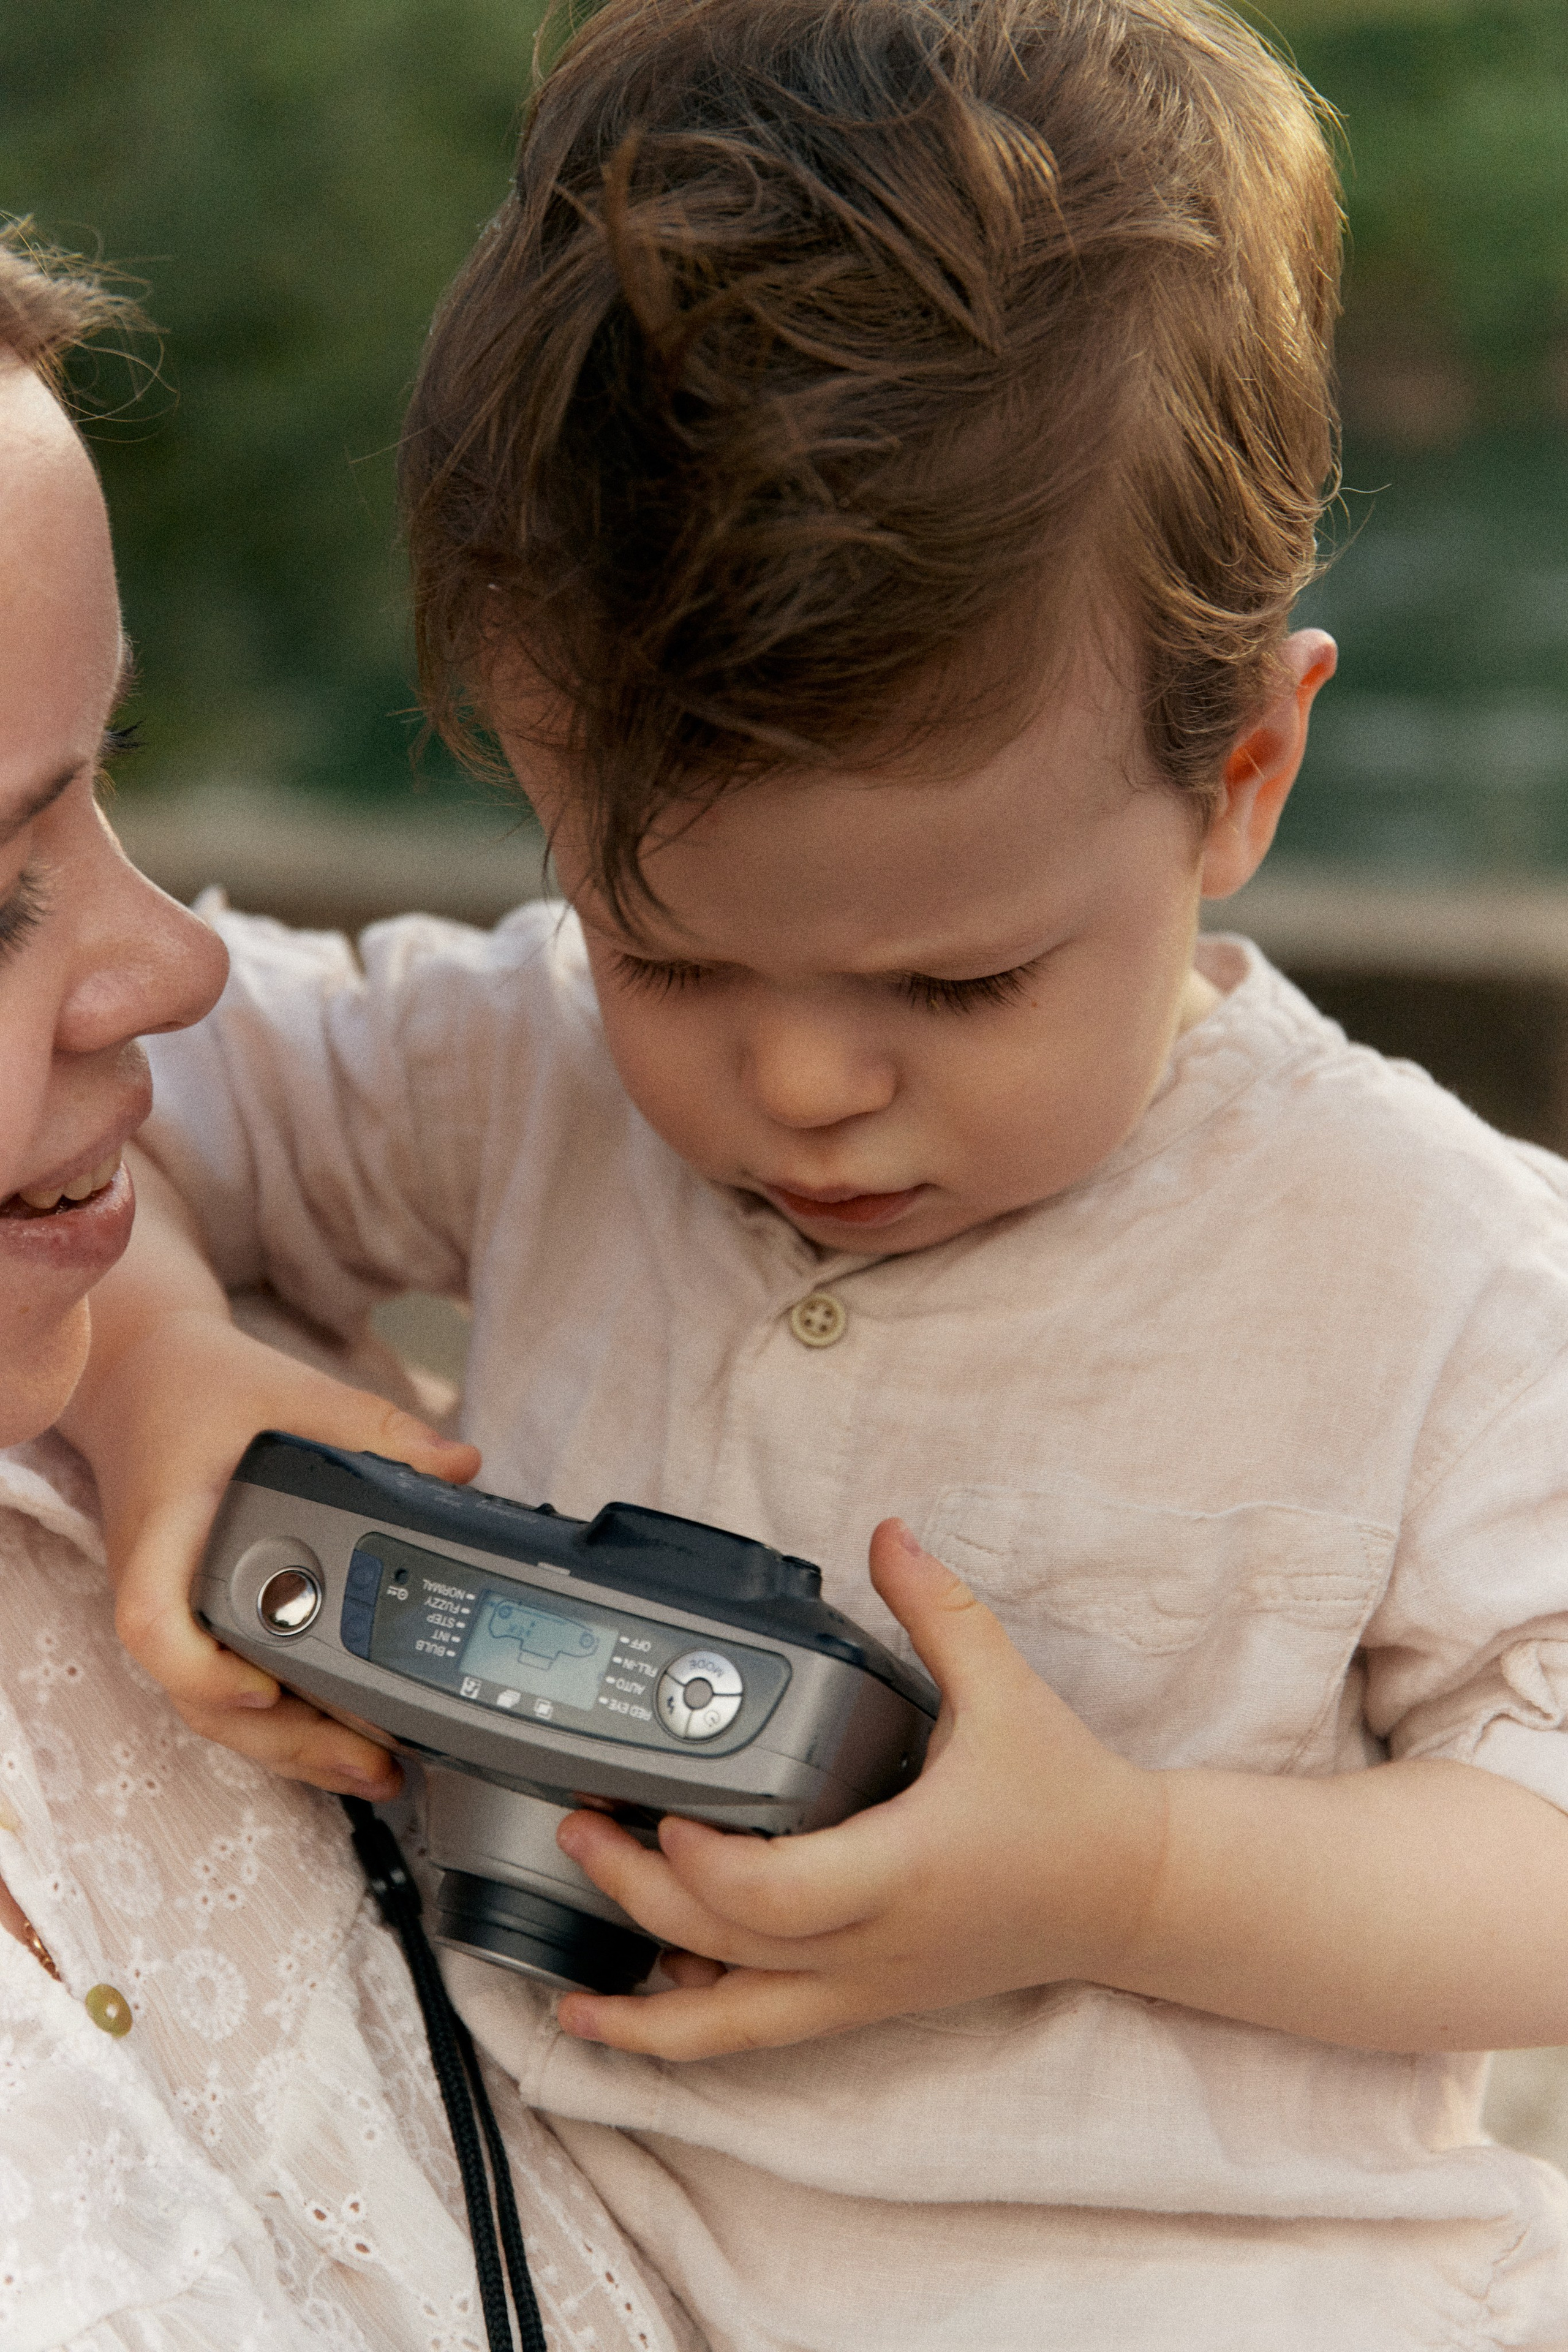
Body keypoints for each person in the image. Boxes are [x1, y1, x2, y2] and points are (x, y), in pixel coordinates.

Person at [53, 0, 1568, 2342]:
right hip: (563, 2266)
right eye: (666, 953)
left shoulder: (1430, 1268)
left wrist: (1131, 1877)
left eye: (957, 988)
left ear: (1247, 771)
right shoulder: (519, 1068)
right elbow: (116, 1106)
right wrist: (159, 1374)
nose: (804, 1088)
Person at [0, 224, 696, 2352]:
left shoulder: (129, 1404)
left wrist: (164, 1362)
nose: (178, 963)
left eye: (101, 786)